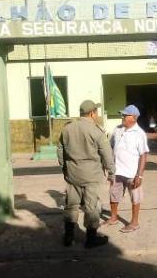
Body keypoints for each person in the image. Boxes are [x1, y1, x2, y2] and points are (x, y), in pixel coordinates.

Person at [57, 100, 115, 248]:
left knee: (71, 205)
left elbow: (60, 150)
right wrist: (111, 172)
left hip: (73, 174)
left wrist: (64, 168)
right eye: (96, 112)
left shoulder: (67, 129)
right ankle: (91, 239)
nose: (97, 114)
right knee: (91, 207)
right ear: (91, 113)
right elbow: (106, 153)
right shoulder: (97, 131)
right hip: (91, 175)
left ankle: (68, 237)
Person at [104, 104, 150, 233]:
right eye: (122, 114)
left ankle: (134, 222)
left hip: (132, 173)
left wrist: (139, 175)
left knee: (135, 197)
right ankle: (113, 217)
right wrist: (108, 165)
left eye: (125, 115)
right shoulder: (117, 129)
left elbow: (143, 155)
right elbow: (110, 147)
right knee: (113, 194)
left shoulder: (139, 134)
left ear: (134, 117)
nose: (122, 117)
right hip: (116, 171)